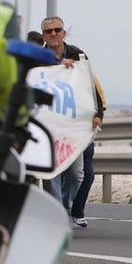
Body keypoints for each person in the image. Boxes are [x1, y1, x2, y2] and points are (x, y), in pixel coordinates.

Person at [39, 15, 105, 227]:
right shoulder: (38, 58)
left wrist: (98, 114)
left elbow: (90, 86)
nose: (53, 34)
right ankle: (57, 213)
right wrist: (58, 64)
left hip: (72, 127)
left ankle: (66, 205)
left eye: (57, 30)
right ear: (43, 35)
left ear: (63, 32)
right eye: (49, 31)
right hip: (49, 126)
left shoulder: (78, 55)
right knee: (52, 174)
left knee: (77, 175)